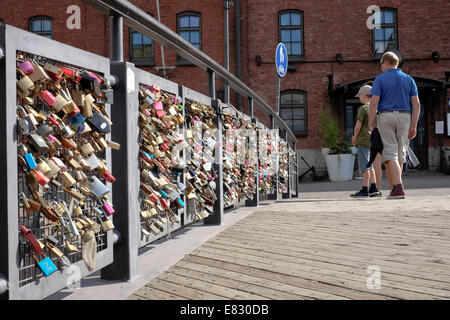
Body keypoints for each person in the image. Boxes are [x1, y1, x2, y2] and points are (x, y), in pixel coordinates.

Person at [368, 51, 420, 199]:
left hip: (386, 116)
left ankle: (397, 188)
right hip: (405, 116)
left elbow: (373, 103)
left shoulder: (380, 79)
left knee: (390, 153)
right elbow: (416, 104)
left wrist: (371, 123)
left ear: (386, 62)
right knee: (400, 154)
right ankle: (394, 187)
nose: (380, 67)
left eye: (381, 65)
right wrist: (414, 125)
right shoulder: (409, 79)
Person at [350, 85, 380, 198]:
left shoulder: (362, 109)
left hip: (363, 140)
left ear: (365, 95)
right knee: (370, 164)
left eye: (360, 96)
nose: (359, 98)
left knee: (364, 166)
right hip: (374, 140)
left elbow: (358, 125)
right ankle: (374, 187)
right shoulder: (375, 108)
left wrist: (354, 137)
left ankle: (365, 189)